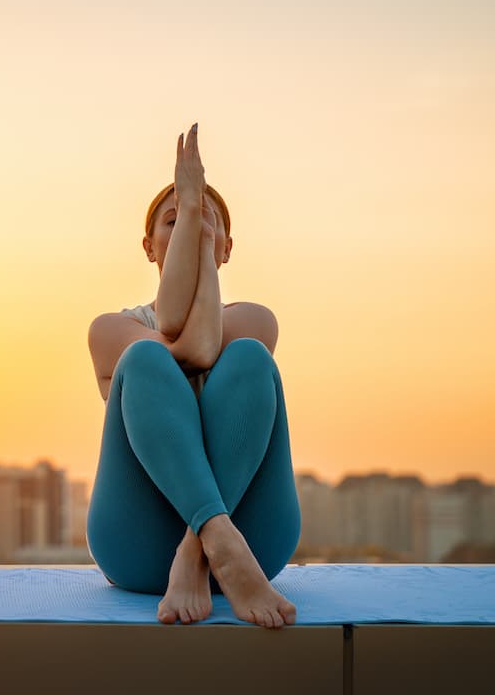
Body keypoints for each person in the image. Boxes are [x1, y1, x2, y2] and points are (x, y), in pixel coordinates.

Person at [85, 122, 301, 629]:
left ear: (227, 247)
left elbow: (204, 348)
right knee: (144, 360)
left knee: (249, 358)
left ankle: (204, 548)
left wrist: (195, 237)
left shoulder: (253, 319)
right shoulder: (112, 330)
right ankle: (215, 540)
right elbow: (185, 346)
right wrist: (195, 227)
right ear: (149, 245)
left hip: (254, 544)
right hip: (138, 546)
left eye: (208, 221)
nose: (192, 225)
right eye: (174, 219)